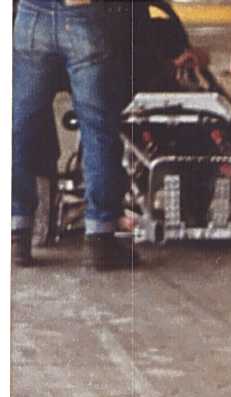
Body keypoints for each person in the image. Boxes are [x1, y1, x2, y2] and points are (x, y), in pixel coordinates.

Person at [12, 0, 133, 270]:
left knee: (21, 125)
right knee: (97, 129)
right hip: (83, 14)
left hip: (32, 15)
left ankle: (17, 230)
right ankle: (100, 237)